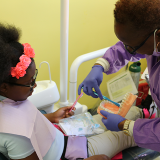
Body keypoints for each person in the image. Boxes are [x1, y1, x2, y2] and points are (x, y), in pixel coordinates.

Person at [0, 23, 140, 160]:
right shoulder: (15, 134)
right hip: (68, 154)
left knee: (130, 112)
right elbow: (22, 127)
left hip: (60, 136)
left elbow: (28, 119)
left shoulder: (9, 98)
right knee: (124, 137)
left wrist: (52, 117)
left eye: (34, 77)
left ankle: (141, 113)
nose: (35, 84)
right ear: (4, 87)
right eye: (29, 83)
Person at [78, 0, 160, 152]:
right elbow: (124, 49)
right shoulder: (152, 39)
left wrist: (125, 126)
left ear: (157, 35)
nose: (127, 49)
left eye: (132, 47)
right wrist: (100, 65)